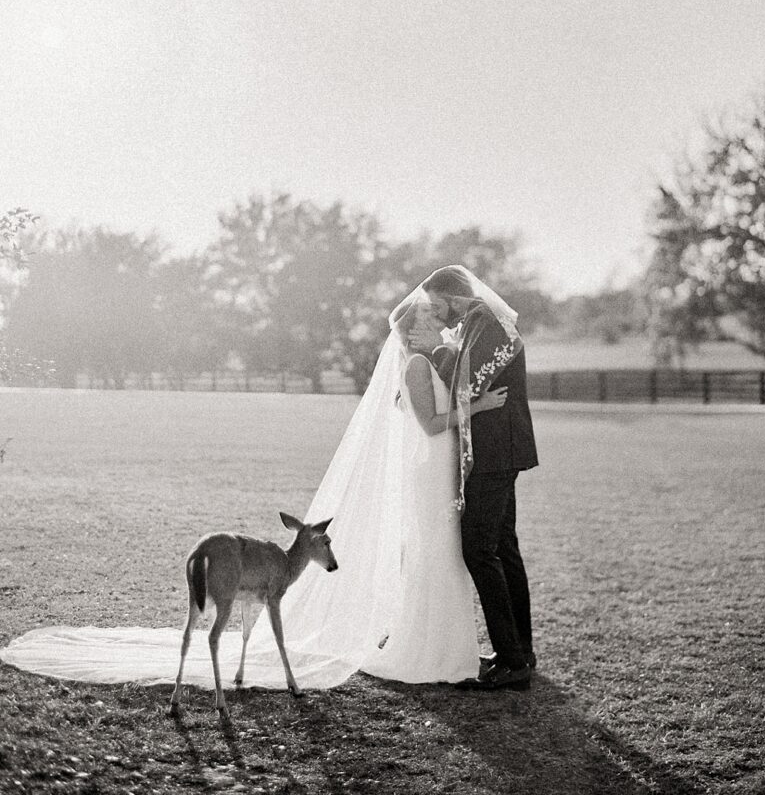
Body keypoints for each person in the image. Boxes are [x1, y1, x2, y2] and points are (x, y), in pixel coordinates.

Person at [0, 268, 533, 694]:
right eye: (431, 316)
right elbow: (434, 418)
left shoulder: (443, 353)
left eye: (441, 312)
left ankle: (504, 654)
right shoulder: (421, 363)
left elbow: (445, 390)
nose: (441, 321)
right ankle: (469, 651)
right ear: (414, 327)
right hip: (440, 473)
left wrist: (464, 393)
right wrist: (476, 405)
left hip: (451, 473)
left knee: (475, 552)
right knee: (453, 555)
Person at [408, 265, 538, 691]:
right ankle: (517, 654)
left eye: (436, 303)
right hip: (495, 450)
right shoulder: (474, 325)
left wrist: (434, 351)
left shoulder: (491, 325)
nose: (433, 311)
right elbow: (469, 387)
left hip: (497, 450)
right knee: (502, 547)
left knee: (480, 550)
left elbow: (468, 385)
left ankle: (514, 659)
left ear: (453, 296)